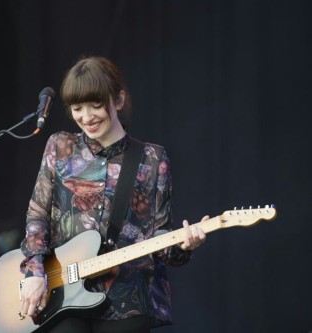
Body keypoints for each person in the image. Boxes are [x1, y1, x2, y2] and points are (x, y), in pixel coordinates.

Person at [19, 56, 207, 333]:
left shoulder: (152, 159)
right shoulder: (60, 146)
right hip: (62, 296)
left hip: (127, 299)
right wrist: (34, 273)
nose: (86, 117)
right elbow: (37, 215)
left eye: (95, 106)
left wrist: (183, 246)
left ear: (118, 100)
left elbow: (159, 238)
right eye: (77, 108)